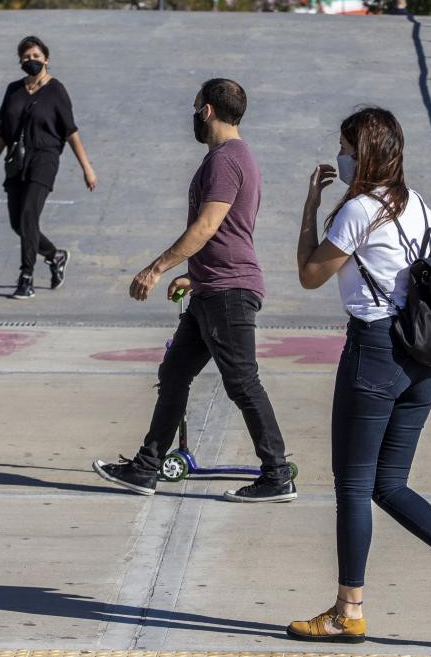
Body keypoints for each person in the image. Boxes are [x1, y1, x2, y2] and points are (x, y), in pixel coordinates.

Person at [288, 106, 431, 644]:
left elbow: (311, 274)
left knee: (355, 485)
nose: (339, 153)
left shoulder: (358, 210)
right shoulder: (421, 207)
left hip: (376, 351)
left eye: (344, 145)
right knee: (390, 482)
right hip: (423, 360)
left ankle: (347, 610)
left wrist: (311, 205)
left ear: (361, 154)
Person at [92, 78, 296, 501]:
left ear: (207, 111)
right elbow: (229, 231)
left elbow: (207, 226)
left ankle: (277, 474)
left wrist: (157, 268)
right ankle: (146, 468)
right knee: (175, 374)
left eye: (195, 107)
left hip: (228, 290)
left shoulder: (226, 159)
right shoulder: (233, 157)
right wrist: (193, 274)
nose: (193, 114)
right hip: (210, 286)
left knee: (241, 381)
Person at [0, 36, 96, 300]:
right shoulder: (13, 90)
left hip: (44, 158)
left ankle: (26, 277)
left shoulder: (56, 90)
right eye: (25, 57)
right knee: (18, 223)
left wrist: (86, 168)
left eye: (35, 56)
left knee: (28, 215)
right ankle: (56, 255)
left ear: (46, 58)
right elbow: (3, 132)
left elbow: (71, 132)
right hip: (16, 161)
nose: (30, 61)